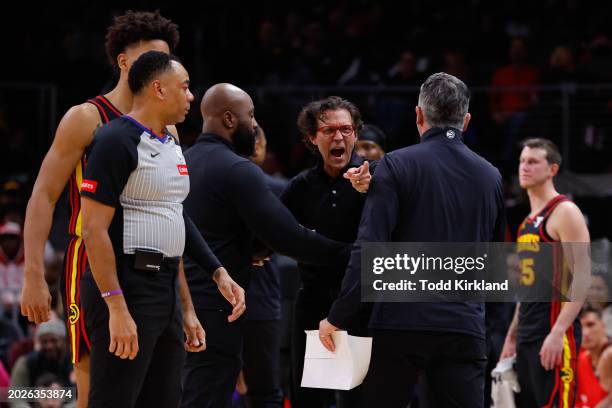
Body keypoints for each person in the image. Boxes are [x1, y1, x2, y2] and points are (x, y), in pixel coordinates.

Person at [20, 11, 184, 407]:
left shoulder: (170, 128)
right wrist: (34, 275)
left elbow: (175, 211)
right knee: (96, 383)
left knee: (153, 387)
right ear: (124, 62)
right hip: (90, 262)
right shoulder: (87, 117)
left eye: (164, 59)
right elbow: (43, 195)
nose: (157, 68)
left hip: (149, 268)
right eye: (149, 57)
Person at [318, 72, 506, 408]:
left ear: (418, 115)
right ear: (466, 121)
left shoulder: (395, 165)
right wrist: (484, 326)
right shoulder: (491, 176)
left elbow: (368, 251)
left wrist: (338, 316)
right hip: (463, 328)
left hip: (400, 324)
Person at [79, 51, 243, 408]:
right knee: (115, 399)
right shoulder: (113, 140)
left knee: (166, 399)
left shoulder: (171, 141)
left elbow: (173, 219)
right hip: (126, 286)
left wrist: (212, 277)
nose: (190, 97)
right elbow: (93, 231)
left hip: (164, 285)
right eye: (184, 88)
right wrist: (116, 308)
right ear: (158, 89)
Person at [180, 83, 350, 408]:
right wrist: (352, 254)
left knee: (198, 391)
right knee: (217, 392)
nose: (254, 124)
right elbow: (289, 237)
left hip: (186, 300)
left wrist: (257, 250)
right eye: (251, 115)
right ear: (230, 119)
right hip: (220, 305)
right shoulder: (237, 169)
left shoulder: (184, 161)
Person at [280, 96, 372, 408]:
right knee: (309, 400)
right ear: (311, 137)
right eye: (329, 130)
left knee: (363, 399)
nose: (338, 137)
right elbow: (278, 235)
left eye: (346, 130)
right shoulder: (299, 187)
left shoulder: (377, 180)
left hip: (363, 306)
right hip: (314, 305)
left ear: (356, 134)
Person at [499, 138, 590, 407]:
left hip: (553, 333)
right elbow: (527, 287)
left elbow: (582, 278)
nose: (524, 167)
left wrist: (558, 332)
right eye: (522, 161)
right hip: (528, 333)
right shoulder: (526, 223)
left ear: (552, 169)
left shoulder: (565, 211)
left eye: (533, 162)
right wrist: (512, 336)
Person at [240, 127, 286, 408]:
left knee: (206, 385)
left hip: (210, 301)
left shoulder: (201, 177)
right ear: (259, 146)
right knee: (265, 392)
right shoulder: (280, 188)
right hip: (259, 303)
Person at [10, 319, 71, 391]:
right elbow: (15, 397)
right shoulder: (26, 363)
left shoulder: (74, 364)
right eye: (44, 341)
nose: (49, 346)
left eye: (54, 340)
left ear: (63, 341)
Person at [576, 305, 609, 408]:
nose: (585, 333)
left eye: (590, 325)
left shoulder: (609, 355)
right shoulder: (581, 360)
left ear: (603, 325)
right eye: (580, 328)